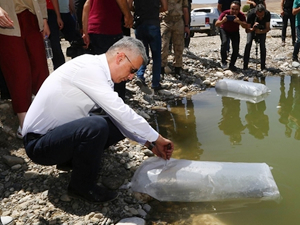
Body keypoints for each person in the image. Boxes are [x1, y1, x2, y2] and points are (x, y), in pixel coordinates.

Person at [22, 37, 174, 204]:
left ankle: (70, 162)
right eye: (132, 70)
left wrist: (149, 144)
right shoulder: (89, 68)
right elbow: (121, 112)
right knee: (96, 126)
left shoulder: (101, 73)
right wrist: (158, 138)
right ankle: (81, 187)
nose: (131, 77)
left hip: (56, 137)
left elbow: (120, 118)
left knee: (115, 124)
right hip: (39, 145)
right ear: (120, 57)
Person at [0, 0, 50, 138]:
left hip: (33, 18)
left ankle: (45, 117)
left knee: (41, 70)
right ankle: (25, 125)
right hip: (7, 20)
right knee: (18, 72)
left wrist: (44, 18)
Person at [82, 0, 133, 100]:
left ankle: (99, 103)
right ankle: (116, 104)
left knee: (99, 70)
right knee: (118, 67)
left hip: (94, 29)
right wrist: (128, 15)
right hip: (109, 29)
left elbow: (87, 5)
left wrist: (85, 32)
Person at [128, 0, 167, 92]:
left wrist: (137, 10)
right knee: (156, 56)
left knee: (142, 53)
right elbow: (165, 7)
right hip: (153, 23)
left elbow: (129, 5)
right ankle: (155, 83)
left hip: (139, 24)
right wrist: (155, 11)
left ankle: (140, 76)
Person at [160, 0, 190, 77]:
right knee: (163, 46)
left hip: (178, 21)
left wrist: (186, 25)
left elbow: (185, 9)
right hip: (165, 21)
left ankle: (177, 69)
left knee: (179, 47)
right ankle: (161, 70)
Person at [215, 1, 247, 71]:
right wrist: (222, 21)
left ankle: (232, 64)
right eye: (232, 9)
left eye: (236, 9)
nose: (234, 11)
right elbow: (216, 24)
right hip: (224, 30)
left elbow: (246, 26)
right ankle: (224, 62)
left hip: (235, 31)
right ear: (230, 8)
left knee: (236, 47)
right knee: (224, 43)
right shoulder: (225, 13)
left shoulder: (241, 15)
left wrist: (239, 22)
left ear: (239, 9)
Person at [243, 4, 270, 71]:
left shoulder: (267, 14)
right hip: (252, 29)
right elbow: (247, 30)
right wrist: (252, 29)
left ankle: (263, 66)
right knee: (248, 43)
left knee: (262, 45)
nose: (260, 17)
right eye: (258, 16)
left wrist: (260, 31)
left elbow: (267, 28)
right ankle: (245, 65)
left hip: (262, 30)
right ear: (256, 13)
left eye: (262, 16)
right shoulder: (251, 14)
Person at [47, 0, 65, 70]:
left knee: (55, 45)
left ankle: (61, 70)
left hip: (49, 12)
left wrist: (58, 16)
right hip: (34, 12)